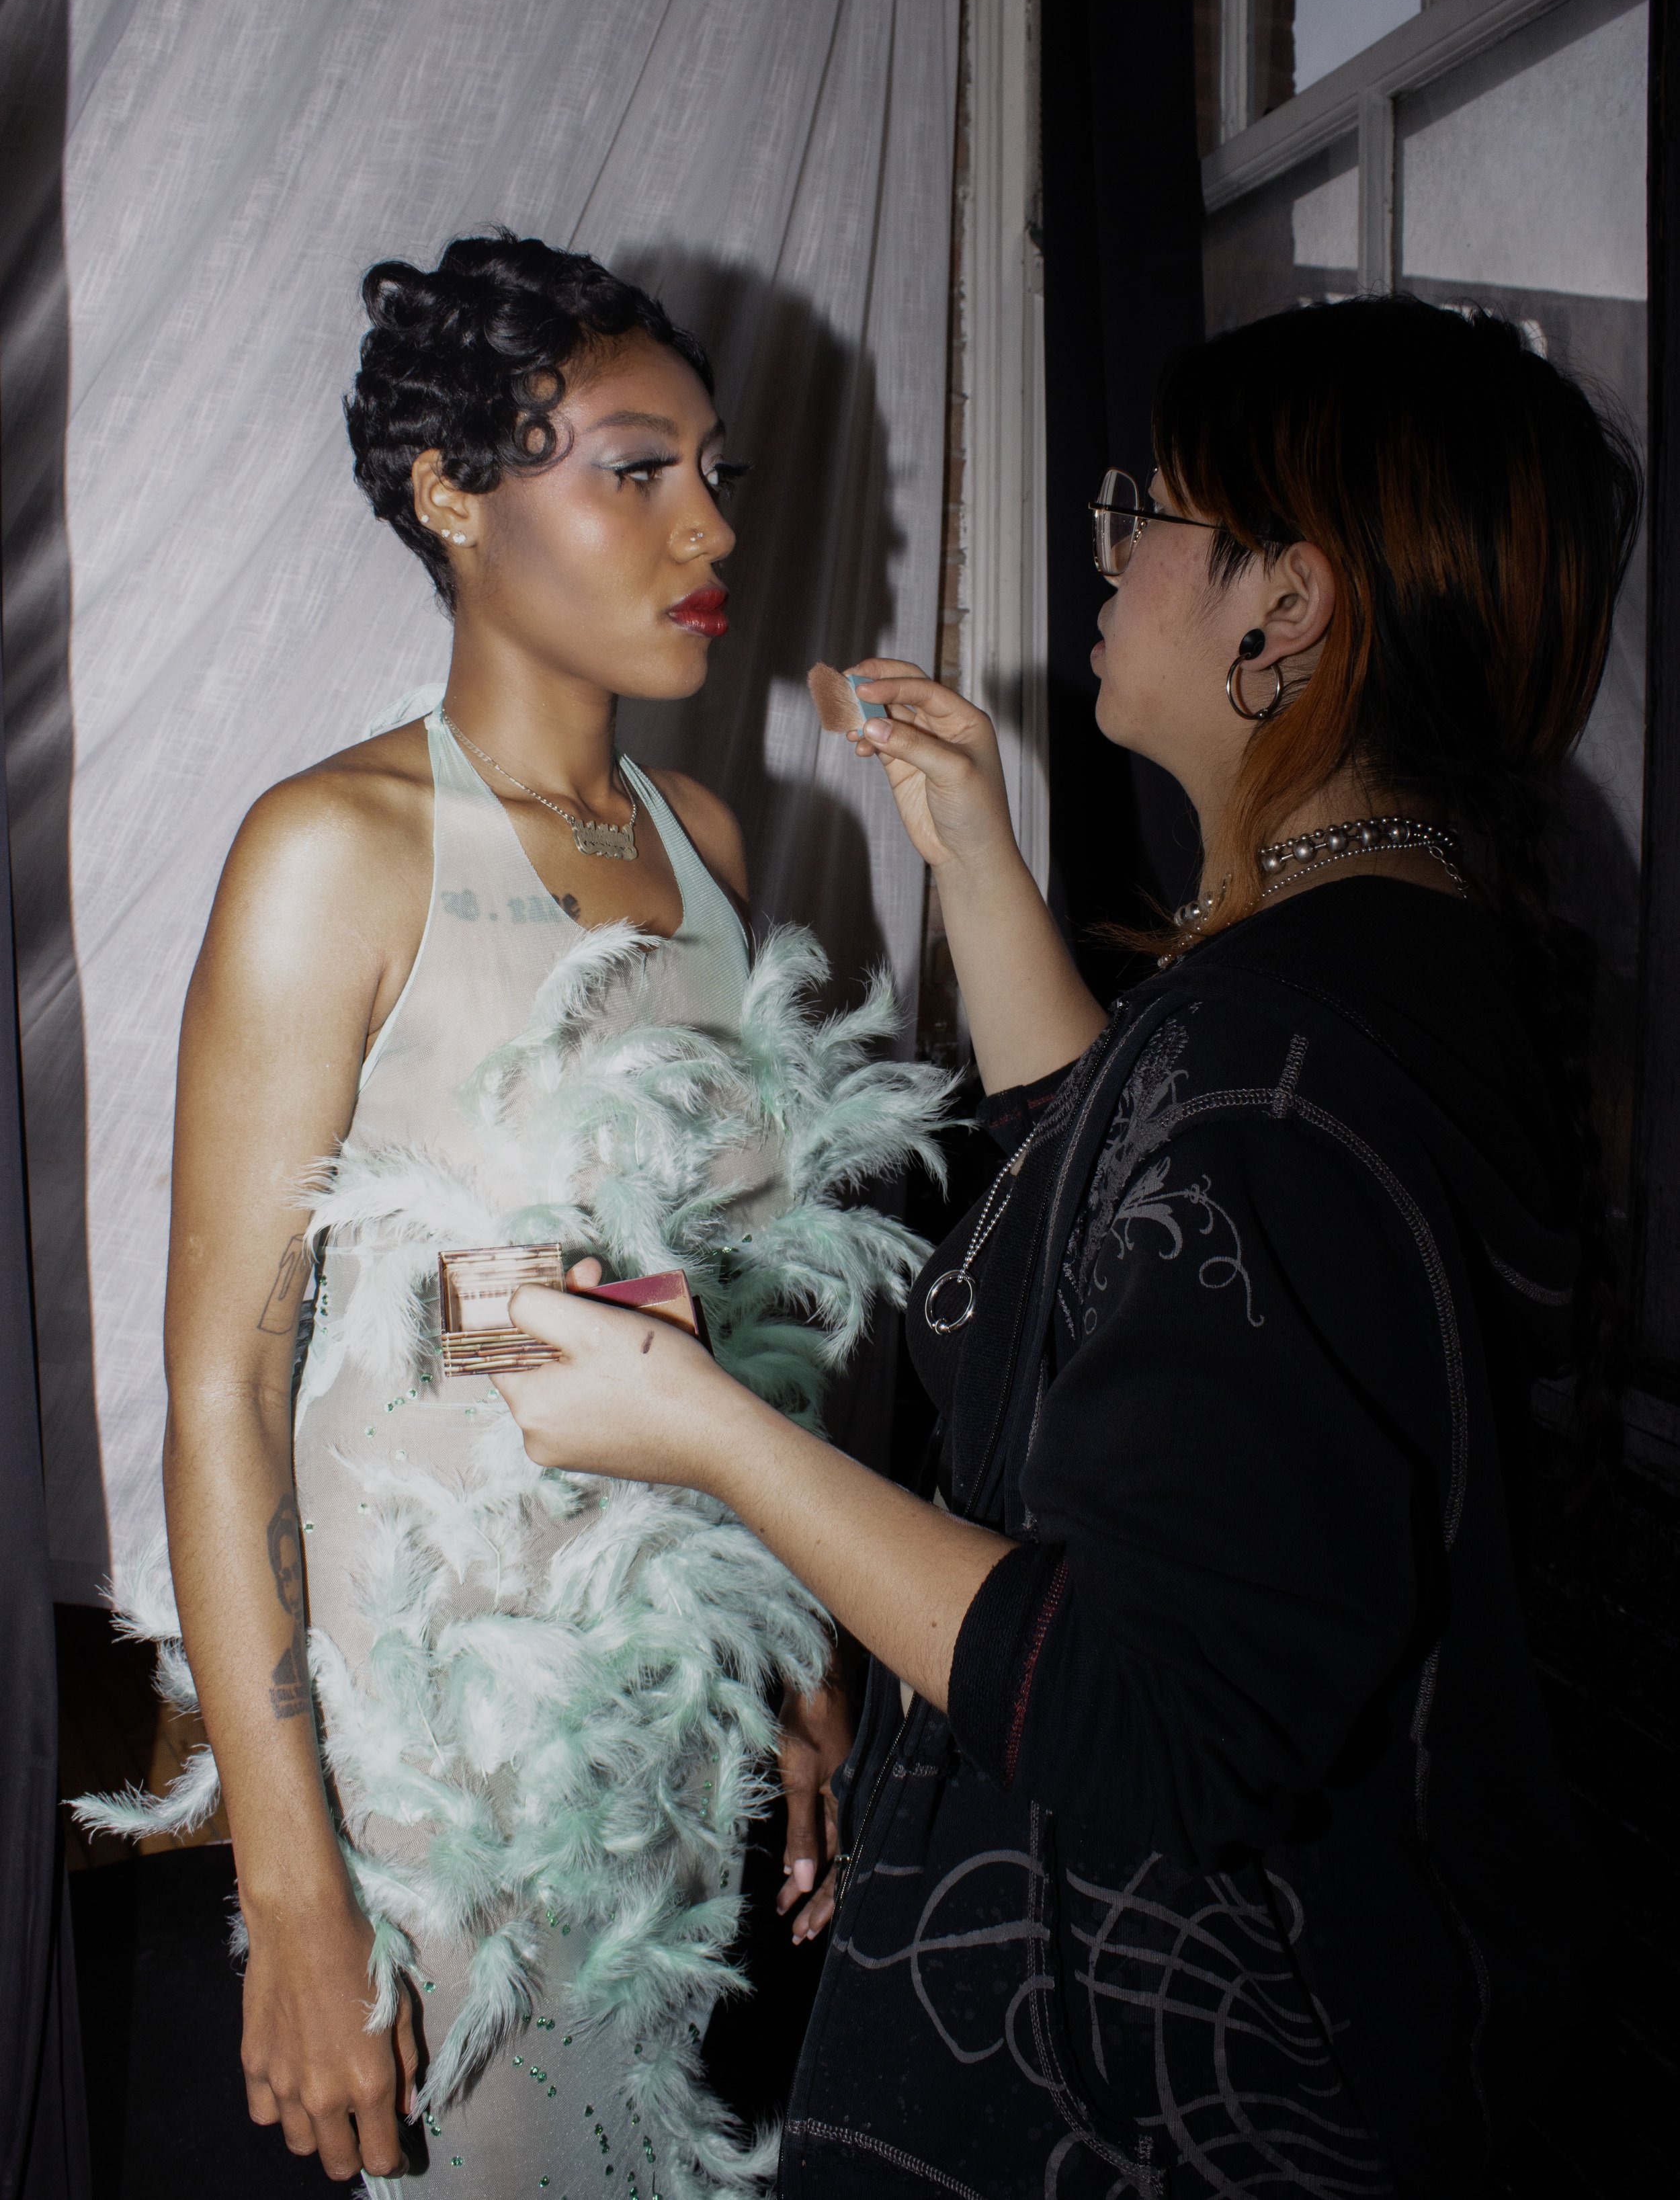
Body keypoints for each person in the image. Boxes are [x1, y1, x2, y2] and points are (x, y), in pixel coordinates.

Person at [489, 295, 1639, 2199]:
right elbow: (1149, 1231)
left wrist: (706, 1431)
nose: (1112, 554)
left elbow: (1146, 1713)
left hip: (1174, 2096)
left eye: (1155, 514)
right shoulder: (1422, 961)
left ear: (1287, 606)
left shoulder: (1272, 1056)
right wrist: (974, 855)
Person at [77, 235, 950, 2197]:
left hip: (676, 1742)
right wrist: (294, 1893)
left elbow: (727, 1305)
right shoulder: (333, 851)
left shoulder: (711, 843)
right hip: (441, 1778)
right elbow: (222, 1396)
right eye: (637, 470)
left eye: (714, 471)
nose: (710, 526)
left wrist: (793, 1640)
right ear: (452, 496)